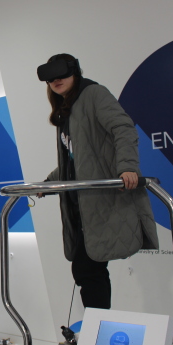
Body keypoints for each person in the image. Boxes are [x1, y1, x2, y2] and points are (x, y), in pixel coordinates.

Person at [36, 53, 159, 310]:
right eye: (50, 77)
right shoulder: (67, 110)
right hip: (80, 203)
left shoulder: (93, 94)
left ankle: (99, 329)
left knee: (87, 269)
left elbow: (123, 128)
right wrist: (48, 183)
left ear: (75, 72)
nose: (56, 81)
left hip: (100, 200)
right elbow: (78, 160)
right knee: (87, 270)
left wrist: (127, 167)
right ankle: (99, 329)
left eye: (62, 74)